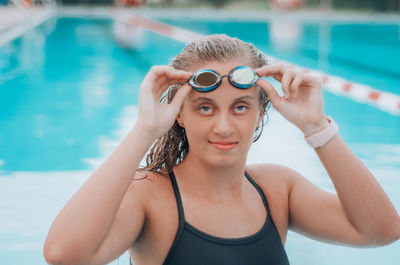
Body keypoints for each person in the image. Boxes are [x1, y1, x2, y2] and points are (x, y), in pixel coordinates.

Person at [43, 34, 400, 265]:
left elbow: (381, 231)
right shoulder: (150, 196)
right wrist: (145, 130)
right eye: (205, 107)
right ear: (180, 114)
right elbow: (64, 254)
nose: (225, 126)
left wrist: (317, 128)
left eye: (240, 106)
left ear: (260, 113)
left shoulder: (277, 190)